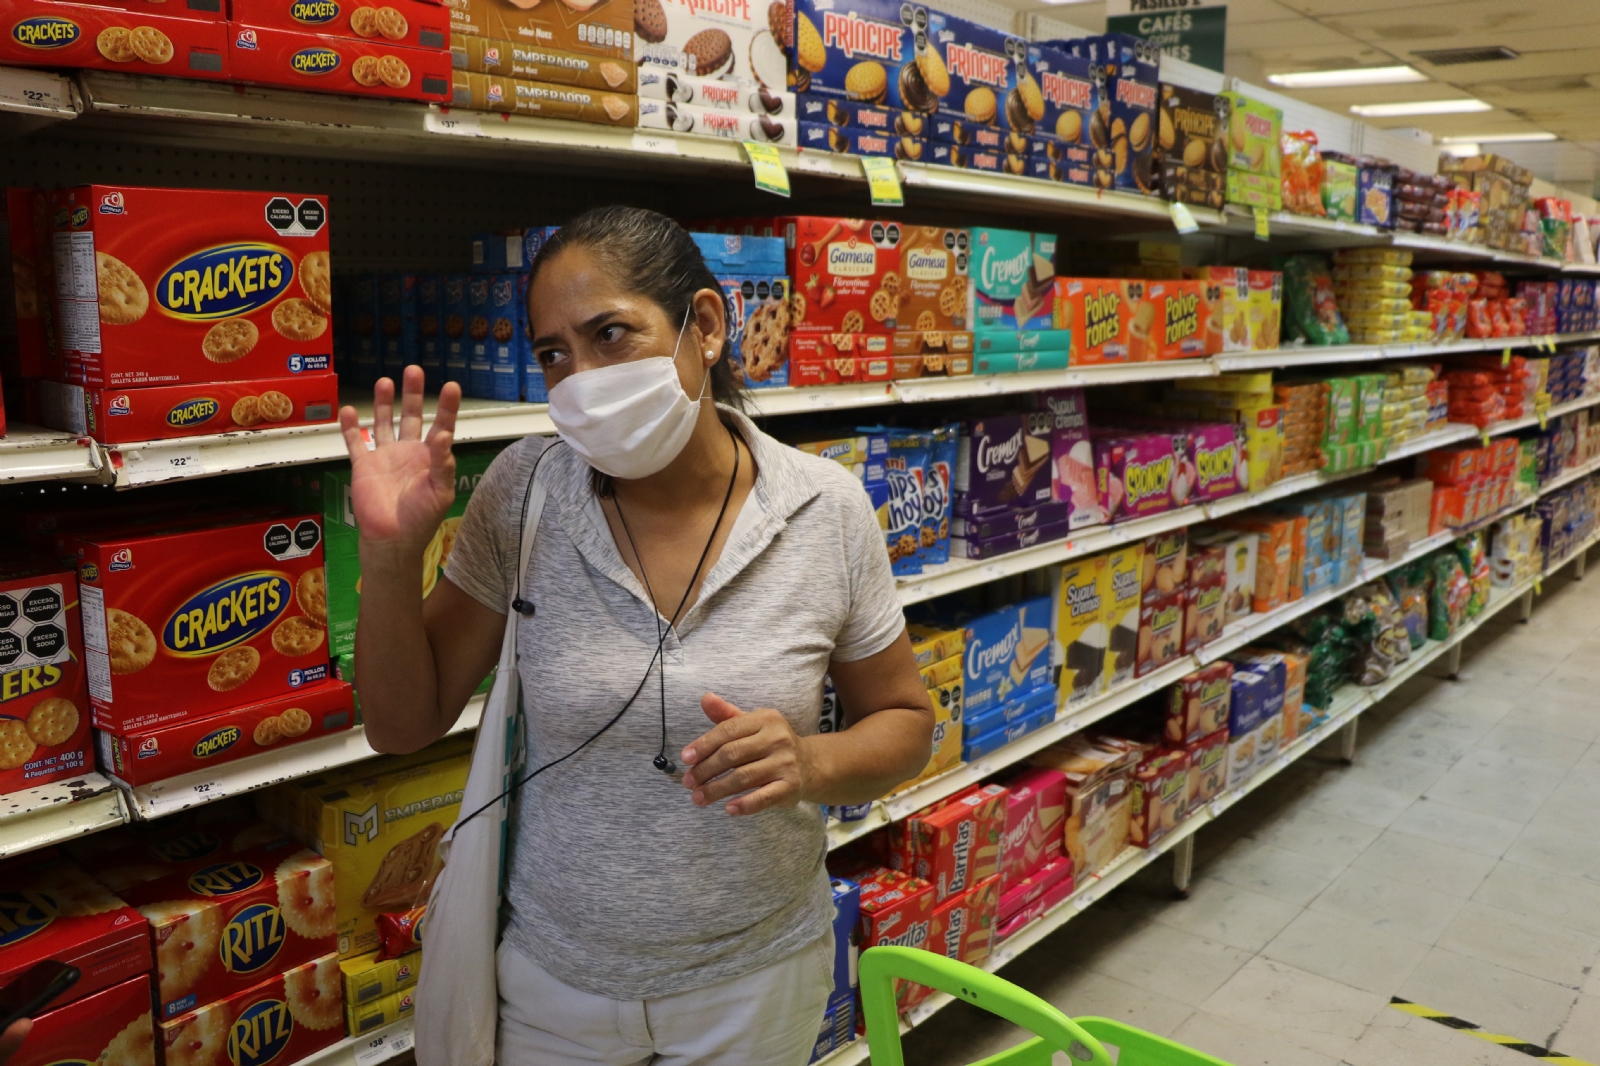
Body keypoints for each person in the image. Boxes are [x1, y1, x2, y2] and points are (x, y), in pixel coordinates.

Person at [339, 205, 934, 1066]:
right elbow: (402, 723)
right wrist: (392, 558)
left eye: (610, 335)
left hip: (756, 978)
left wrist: (812, 764)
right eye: (554, 355)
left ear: (705, 325)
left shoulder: (823, 509)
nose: (581, 379)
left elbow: (907, 725)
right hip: (555, 985)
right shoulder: (527, 493)